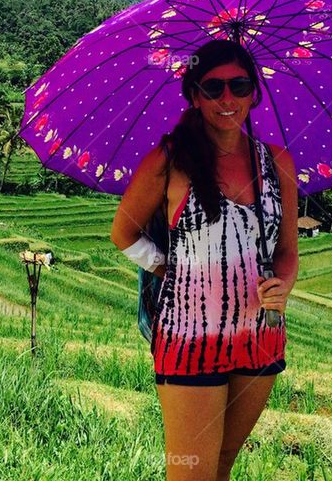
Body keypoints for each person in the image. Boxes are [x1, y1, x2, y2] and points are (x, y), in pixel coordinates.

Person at [111, 39, 299, 481]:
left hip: (260, 336)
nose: (227, 98)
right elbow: (123, 233)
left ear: (255, 92)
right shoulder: (169, 161)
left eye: (239, 85)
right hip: (190, 339)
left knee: (221, 468)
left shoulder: (277, 162)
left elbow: (287, 252)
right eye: (213, 88)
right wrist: (169, 268)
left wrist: (285, 284)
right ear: (195, 96)